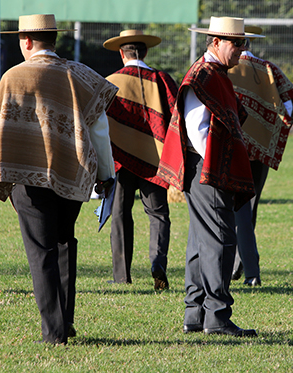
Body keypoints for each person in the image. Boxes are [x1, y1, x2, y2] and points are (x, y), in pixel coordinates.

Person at [0, 14, 118, 345]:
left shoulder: (14, 76)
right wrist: (106, 175)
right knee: (62, 244)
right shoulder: (80, 75)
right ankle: (65, 321)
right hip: (71, 175)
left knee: (41, 251)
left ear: (26, 41)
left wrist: (8, 155)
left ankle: (53, 333)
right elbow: (100, 130)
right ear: (53, 40)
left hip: (28, 179)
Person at [157, 16, 263, 337]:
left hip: (207, 170)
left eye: (244, 43)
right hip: (208, 171)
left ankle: (195, 313)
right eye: (236, 43)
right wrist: (216, 167)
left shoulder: (215, 73)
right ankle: (216, 316)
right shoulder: (204, 75)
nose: (241, 50)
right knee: (219, 240)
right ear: (215, 42)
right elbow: (196, 128)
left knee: (201, 241)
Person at [226, 26, 293, 286]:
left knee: (227, 209)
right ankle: (244, 267)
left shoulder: (223, 69)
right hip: (260, 151)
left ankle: (241, 269)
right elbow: (291, 103)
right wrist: (271, 131)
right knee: (249, 207)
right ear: (248, 42)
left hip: (229, 146)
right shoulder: (269, 68)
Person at [102, 30, 178, 290]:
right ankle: (158, 263)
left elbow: (98, 124)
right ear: (145, 52)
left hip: (119, 162)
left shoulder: (110, 81)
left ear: (122, 53)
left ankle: (121, 275)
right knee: (158, 215)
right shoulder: (162, 80)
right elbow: (176, 119)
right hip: (155, 161)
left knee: (120, 214)